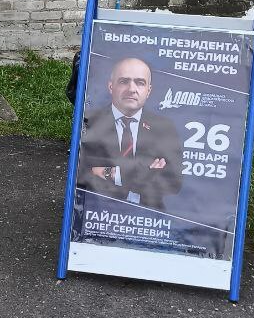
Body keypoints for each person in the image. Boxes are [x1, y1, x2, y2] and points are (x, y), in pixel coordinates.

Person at [77, 55, 183, 209]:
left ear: (148, 90)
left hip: (148, 216)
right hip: (97, 213)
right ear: (111, 86)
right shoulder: (90, 121)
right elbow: (81, 174)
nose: (132, 89)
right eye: (124, 81)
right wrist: (146, 172)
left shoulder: (164, 127)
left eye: (140, 83)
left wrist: (112, 173)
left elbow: (174, 182)